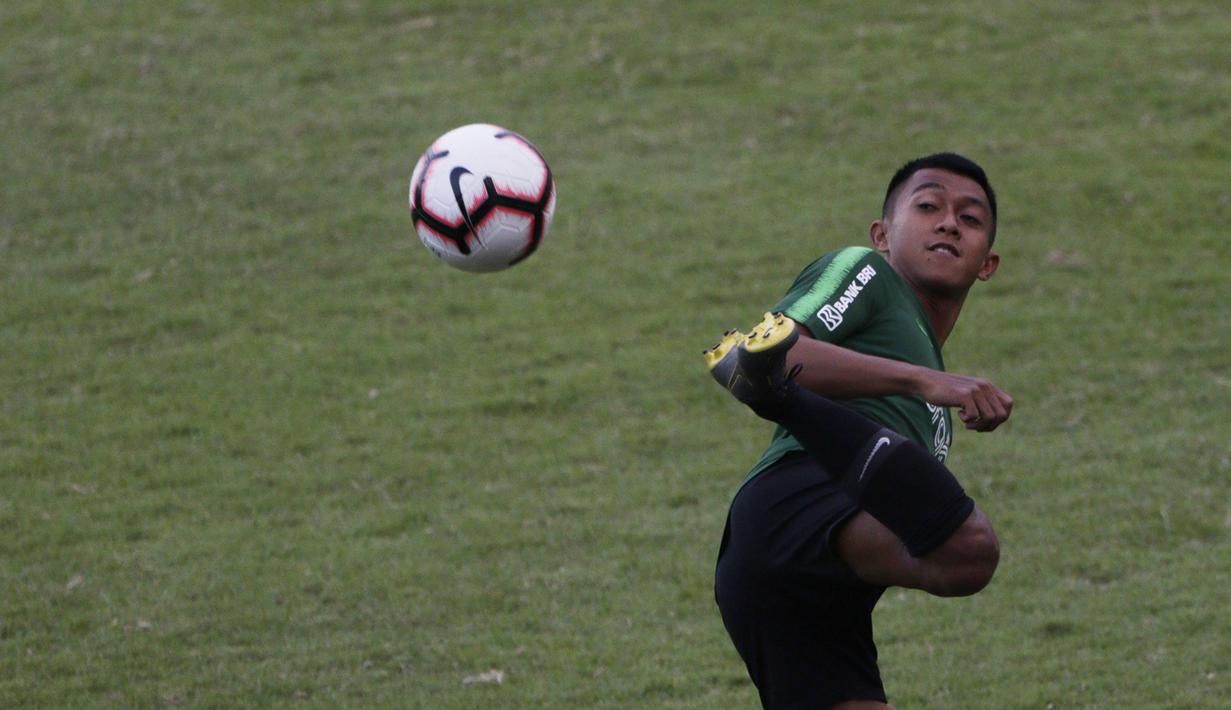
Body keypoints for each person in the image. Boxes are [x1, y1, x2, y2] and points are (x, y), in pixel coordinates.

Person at [704, 153, 1014, 710]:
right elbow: (777, 350)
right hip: (793, 505)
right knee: (969, 550)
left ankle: (781, 400)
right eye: (928, 205)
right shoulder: (866, 272)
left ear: (987, 264)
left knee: (961, 555)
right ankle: (781, 403)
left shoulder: (937, 411)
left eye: (970, 219)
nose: (948, 222)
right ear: (882, 234)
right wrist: (925, 381)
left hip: (808, 587)